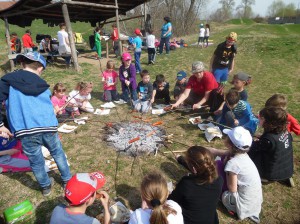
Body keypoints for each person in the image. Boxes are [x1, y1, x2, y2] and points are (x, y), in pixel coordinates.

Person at [0, 52, 71, 196]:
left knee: (36, 160)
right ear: (40, 68)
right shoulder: (42, 84)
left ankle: (45, 187)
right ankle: (67, 180)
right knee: (58, 153)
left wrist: (1, 125)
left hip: (25, 130)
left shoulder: (8, 81)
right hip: (48, 127)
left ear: (22, 64)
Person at [213, 127, 263, 223]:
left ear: (230, 144)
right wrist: (214, 151)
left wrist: (224, 171)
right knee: (221, 161)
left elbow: (232, 189)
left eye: (227, 137)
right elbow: (225, 154)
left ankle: (231, 207)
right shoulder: (244, 156)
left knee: (218, 164)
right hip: (254, 202)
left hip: (241, 205)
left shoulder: (233, 163)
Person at [169, 146, 223, 224]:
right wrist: (181, 159)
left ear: (193, 169)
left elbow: (171, 201)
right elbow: (200, 170)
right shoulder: (219, 180)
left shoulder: (187, 184)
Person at [248, 107, 294, 187]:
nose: (259, 119)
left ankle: (263, 177)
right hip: (287, 169)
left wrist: (253, 141)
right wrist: (261, 137)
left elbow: (255, 149)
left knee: (250, 152)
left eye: (261, 118)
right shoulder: (285, 131)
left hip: (271, 173)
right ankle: (283, 177)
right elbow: (276, 143)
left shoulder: (268, 140)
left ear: (268, 122)